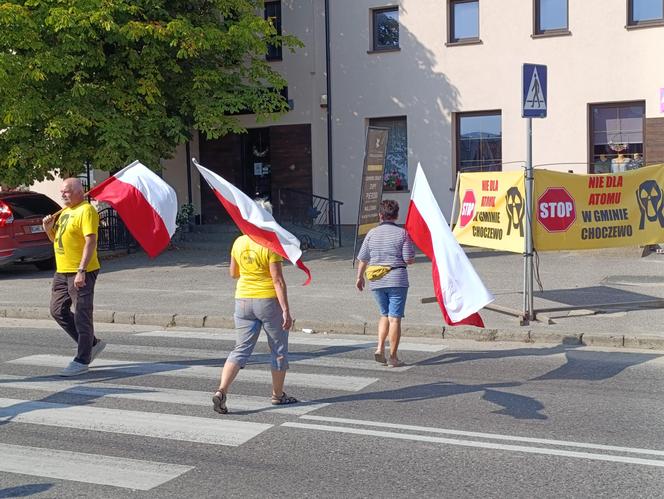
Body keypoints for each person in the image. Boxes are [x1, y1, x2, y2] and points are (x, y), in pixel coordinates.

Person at [213, 199, 297, 414]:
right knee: (278, 350)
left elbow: (233, 273)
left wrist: (249, 270)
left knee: (240, 349)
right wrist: (286, 310)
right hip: (267, 301)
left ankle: (221, 390)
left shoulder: (239, 242)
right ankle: (278, 395)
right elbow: (277, 280)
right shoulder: (270, 244)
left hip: (242, 300)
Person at [42, 178, 105, 377]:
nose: (63, 195)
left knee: (82, 314)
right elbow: (57, 240)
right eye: (62, 191)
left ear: (80, 191)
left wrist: (81, 270)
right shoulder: (65, 212)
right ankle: (91, 343)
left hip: (80, 271)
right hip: (62, 270)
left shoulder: (86, 210)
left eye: (67, 191)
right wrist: (48, 229)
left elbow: (91, 241)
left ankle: (82, 359)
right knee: (57, 310)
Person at [355, 200, 415, 368]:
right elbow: (408, 259)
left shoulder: (371, 233)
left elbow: (363, 258)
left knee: (384, 314)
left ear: (380, 215)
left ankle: (380, 347)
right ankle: (393, 358)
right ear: (396, 215)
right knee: (394, 319)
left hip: (376, 280)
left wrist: (359, 278)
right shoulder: (402, 234)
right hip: (397, 279)